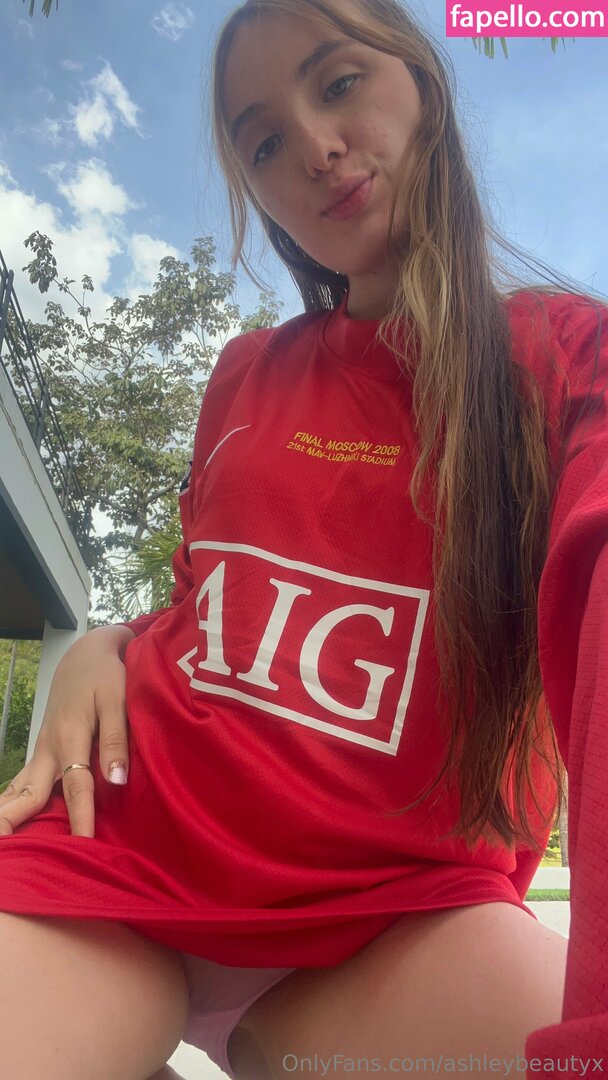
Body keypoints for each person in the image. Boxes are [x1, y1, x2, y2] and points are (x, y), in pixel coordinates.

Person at [0, 0, 606, 1077]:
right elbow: (209, 602)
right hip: (123, 861)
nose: (314, 148)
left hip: (399, 921)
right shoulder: (244, 371)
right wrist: (106, 643)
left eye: (338, 83)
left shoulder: (566, 356)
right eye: (264, 144)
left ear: (424, 85)